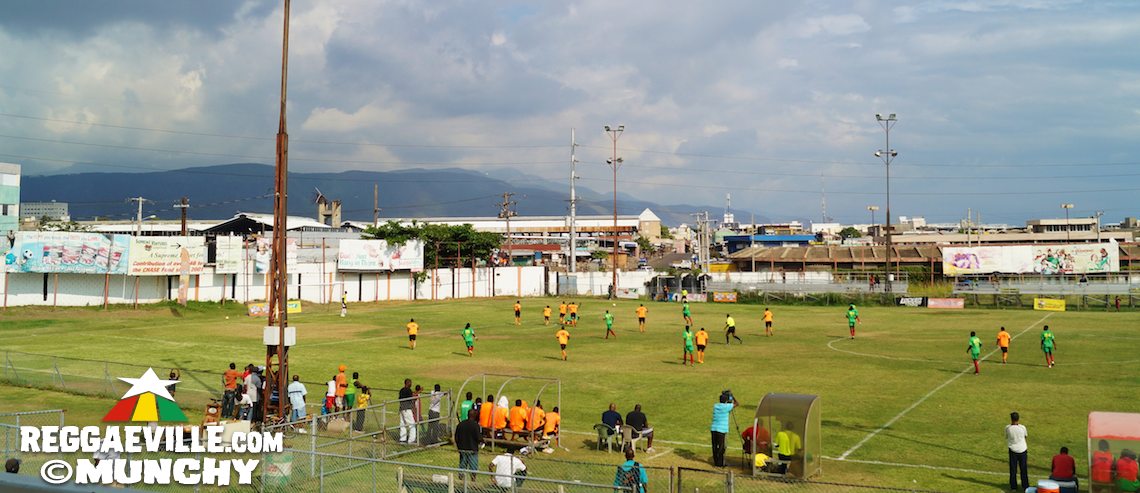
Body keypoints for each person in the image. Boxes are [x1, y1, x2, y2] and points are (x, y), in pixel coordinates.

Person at [454, 408, 483, 480]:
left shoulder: (460, 424)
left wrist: (459, 447)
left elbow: (456, 437)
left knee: (462, 466)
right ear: (475, 416)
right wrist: (483, 441)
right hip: (472, 450)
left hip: (462, 449)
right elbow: (478, 438)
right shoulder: (475, 425)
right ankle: (473, 480)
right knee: (473, 467)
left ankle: (461, 480)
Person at [710, 391, 737, 467]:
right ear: (726, 400)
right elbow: (737, 404)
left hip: (714, 428)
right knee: (722, 447)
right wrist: (732, 396)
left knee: (715, 446)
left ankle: (716, 462)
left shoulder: (716, 406)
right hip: (722, 430)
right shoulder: (727, 407)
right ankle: (720, 463)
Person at [1006, 411, 1029, 492]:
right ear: (1018, 419)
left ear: (1011, 419)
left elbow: (1007, 436)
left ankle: (1013, 487)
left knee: (1013, 469)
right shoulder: (1023, 427)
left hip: (1013, 450)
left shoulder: (1008, 428)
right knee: (1023, 469)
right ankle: (1025, 486)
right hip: (1022, 449)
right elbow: (1025, 436)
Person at [398, 378, 416, 443]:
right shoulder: (408, 390)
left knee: (402, 424)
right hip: (407, 409)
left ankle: (402, 439)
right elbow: (412, 398)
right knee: (412, 424)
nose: (411, 384)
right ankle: (412, 440)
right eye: (410, 383)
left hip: (401, 409)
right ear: (407, 383)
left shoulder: (401, 390)